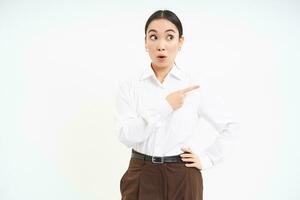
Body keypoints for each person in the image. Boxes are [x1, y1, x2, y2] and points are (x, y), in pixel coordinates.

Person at [114, 9, 240, 200]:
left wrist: (207, 159)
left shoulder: (194, 85)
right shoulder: (130, 86)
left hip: (183, 176)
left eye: (170, 37)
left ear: (180, 42)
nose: (161, 46)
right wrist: (166, 107)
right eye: (154, 37)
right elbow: (126, 136)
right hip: (141, 173)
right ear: (145, 42)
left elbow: (232, 126)